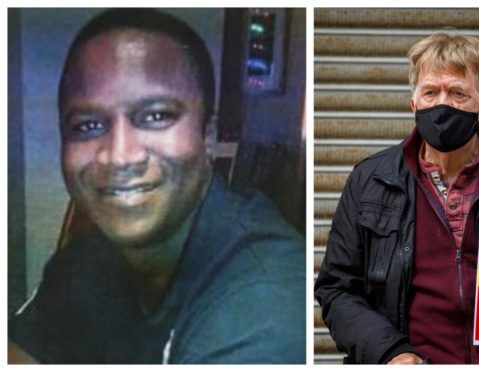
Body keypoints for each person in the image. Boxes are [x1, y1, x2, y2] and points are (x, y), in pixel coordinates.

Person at [8, 8, 305, 364]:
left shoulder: (268, 302)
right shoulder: (89, 257)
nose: (119, 156)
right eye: (87, 126)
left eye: (155, 116)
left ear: (208, 137)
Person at [314, 32, 479, 364]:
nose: (442, 104)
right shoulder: (370, 180)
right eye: (430, 92)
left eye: (457, 93)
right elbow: (337, 289)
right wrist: (390, 353)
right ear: (413, 105)